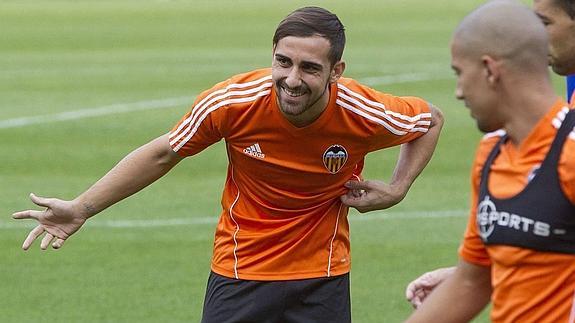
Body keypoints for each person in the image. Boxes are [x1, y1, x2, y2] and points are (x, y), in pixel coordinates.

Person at [12, 6, 443, 323]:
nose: (292, 79)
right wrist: (82, 208)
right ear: (272, 56)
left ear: (336, 71)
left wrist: (398, 187)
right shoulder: (233, 103)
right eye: (283, 62)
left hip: (323, 275)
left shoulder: (363, 111)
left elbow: (430, 120)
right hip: (240, 269)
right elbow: (164, 152)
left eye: (310, 68)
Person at [404, 1, 575, 322]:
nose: (457, 92)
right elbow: (473, 280)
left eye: (460, 74)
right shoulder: (491, 152)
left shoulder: (570, 154)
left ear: (490, 70)